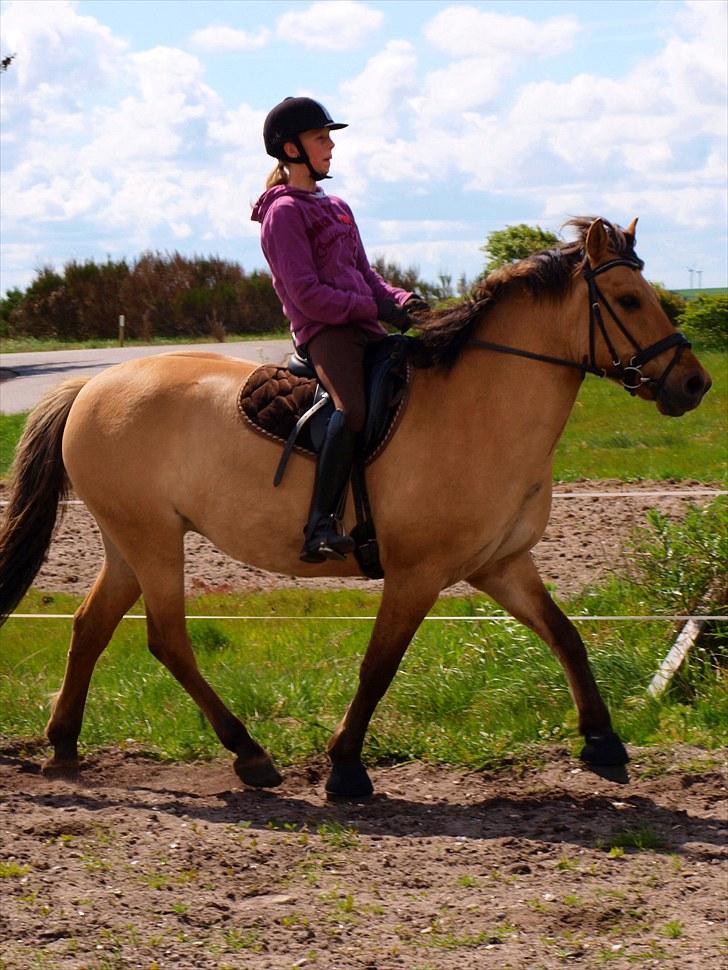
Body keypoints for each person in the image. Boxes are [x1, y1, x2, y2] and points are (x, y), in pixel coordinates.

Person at [251, 96, 429, 563]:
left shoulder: (338, 207)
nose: (330, 146)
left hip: (362, 324)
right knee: (350, 411)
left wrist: (402, 303)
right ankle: (320, 526)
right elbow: (307, 295)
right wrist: (368, 306)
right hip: (325, 334)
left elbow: (367, 276)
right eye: (320, 138)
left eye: (329, 138)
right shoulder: (283, 213)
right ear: (291, 150)